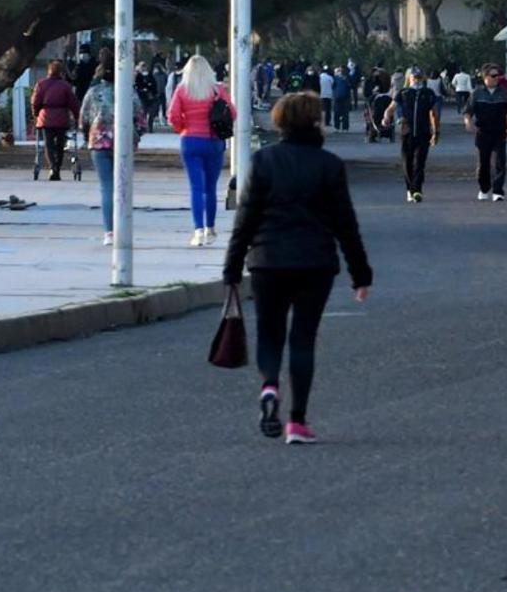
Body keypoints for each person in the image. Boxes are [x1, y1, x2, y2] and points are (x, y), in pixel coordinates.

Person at [223, 91, 372, 443]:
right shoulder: (329, 165)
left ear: (279, 121)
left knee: (270, 332)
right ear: (315, 122)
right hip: (315, 263)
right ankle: (297, 422)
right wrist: (360, 273)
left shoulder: (263, 162)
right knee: (303, 340)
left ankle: (270, 386)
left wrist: (231, 267)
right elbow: (345, 224)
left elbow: (245, 219)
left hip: (267, 261)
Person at [167, 52, 238, 247]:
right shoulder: (217, 90)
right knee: (210, 188)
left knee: (196, 187)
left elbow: (172, 115)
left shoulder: (182, 90)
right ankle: (211, 228)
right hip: (213, 142)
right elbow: (232, 112)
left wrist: (182, 127)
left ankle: (198, 230)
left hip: (190, 140)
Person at [79, 51, 147, 244]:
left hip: (99, 142)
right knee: (123, 186)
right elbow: (141, 119)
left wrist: (88, 135)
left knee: (106, 187)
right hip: (123, 141)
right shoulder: (128, 92)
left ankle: (109, 232)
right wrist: (136, 136)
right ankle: (123, 228)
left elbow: (83, 119)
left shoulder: (93, 93)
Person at [383, 66, 440, 201]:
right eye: (414, 77)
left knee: (419, 162)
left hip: (423, 132)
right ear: (409, 78)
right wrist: (386, 117)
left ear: (423, 78)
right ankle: (410, 188)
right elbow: (391, 108)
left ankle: (417, 190)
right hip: (407, 132)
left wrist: (436, 131)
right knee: (407, 162)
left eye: (419, 77)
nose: (417, 80)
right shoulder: (403, 93)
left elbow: (434, 113)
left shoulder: (428, 93)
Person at [465, 64, 507, 201]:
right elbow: (468, 112)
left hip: (499, 132)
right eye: (493, 76)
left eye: (498, 76)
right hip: (483, 132)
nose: (496, 78)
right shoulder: (477, 93)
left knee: (500, 162)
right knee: (483, 163)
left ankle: (498, 191)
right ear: (485, 77)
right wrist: (468, 123)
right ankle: (484, 188)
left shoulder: (503, 93)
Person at [30, 58, 80, 180]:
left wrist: (36, 114)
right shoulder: (65, 86)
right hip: (61, 117)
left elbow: (35, 102)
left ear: (49, 71)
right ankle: (57, 167)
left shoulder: (41, 84)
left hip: (46, 117)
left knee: (48, 144)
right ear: (61, 72)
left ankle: (52, 167)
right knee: (60, 145)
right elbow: (73, 103)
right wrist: (77, 116)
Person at [135, 62, 159, 133]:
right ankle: (143, 127)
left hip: (151, 96)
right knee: (144, 112)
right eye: (142, 67)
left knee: (151, 113)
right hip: (142, 97)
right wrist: (142, 89)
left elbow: (154, 85)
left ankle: (150, 126)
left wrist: (152, 91)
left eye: (144, 66)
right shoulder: (138, 76)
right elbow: (137, 86)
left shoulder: (151, 76)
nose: (143, 68)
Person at [331, 67, 352, 132]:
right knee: (337, 113)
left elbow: (350, 86)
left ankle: (345, 128)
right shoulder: (335, 78)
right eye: (338, 71)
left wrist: (346, 80)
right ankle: (336, 127)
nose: (340, 72)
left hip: (346, 98)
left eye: (341, 71)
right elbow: (333, 86)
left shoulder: (347, 78)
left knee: (345, 113)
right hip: (337, 98)